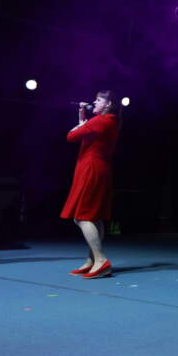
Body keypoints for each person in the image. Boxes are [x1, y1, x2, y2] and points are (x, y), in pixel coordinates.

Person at [61, 90, 120, 279]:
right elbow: (86, 132)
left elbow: (71, 136)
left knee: (82, 217)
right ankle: (92, 260)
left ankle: (101, 260)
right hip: (100, 168)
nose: (94, 102)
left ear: (108, 104)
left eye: (98, 99)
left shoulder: (100, 121)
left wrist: (82, 122)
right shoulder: (110, 121)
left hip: (91, 169)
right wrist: (82, 118)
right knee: (95, 217)